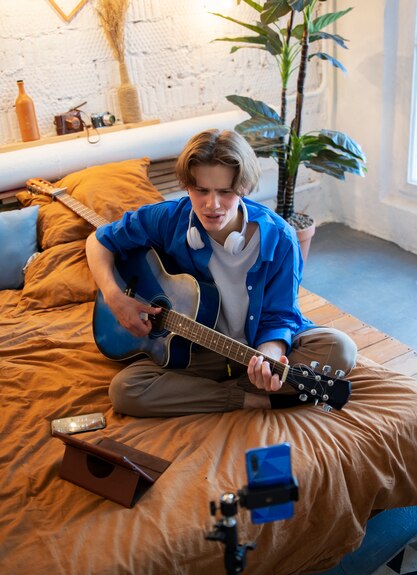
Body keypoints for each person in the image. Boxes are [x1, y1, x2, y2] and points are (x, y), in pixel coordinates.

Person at [86, 128, 357, 417]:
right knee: (126, 390)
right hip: (198, 349)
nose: (211, 205)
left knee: (340, 349)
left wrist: (270, 354)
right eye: (201, 190)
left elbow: (280, 315)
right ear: (187, 186)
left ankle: (228, 389)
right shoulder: (169, 219)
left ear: (243, 188)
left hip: (253, 347)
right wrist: (114, 296)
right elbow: (99, 241)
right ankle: (253, 399)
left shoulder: (280, 238)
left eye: (225, 192)